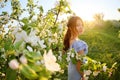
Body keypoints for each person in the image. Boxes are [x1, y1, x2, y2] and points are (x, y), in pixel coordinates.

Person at [63, 16, 88, 80]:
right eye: (77, 25)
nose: (81, 27)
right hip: (77, 74)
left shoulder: (68, 40)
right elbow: (79, 65)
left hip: (71, 72)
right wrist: (83, 76)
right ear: (70, 27)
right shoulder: (78, 43)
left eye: (82, 25)